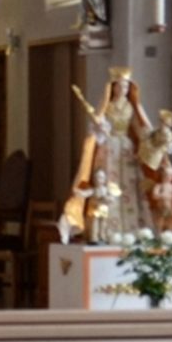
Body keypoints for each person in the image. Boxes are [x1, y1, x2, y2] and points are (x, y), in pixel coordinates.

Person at [59, 69, 150, 244]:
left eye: (126, 86)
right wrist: (99, 126)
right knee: (107, 184)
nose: (123, 89)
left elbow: (138, 127)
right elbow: (97, 130)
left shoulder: (131, 107)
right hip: (109, 148)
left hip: (126, 148)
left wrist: (146, 140)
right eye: (119, 86)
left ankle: (132, 228)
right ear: (113, 87)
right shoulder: (106, 106)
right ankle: (108, 229)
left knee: (130, 185)